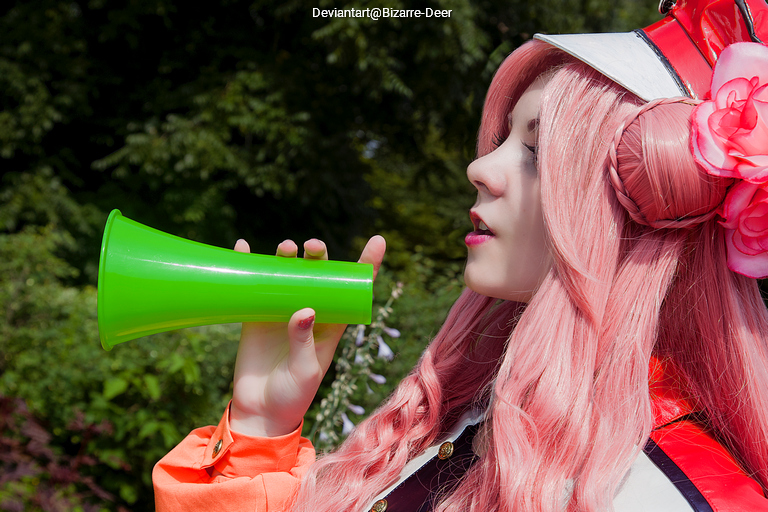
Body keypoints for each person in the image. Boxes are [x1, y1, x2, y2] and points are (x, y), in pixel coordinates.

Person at [153, 0, 768, 510]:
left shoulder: (676, 492)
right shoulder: (470, 424)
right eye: (500, 141)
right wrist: (261, 422)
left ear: (640, 202)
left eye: (536, 149)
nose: (479, 168)